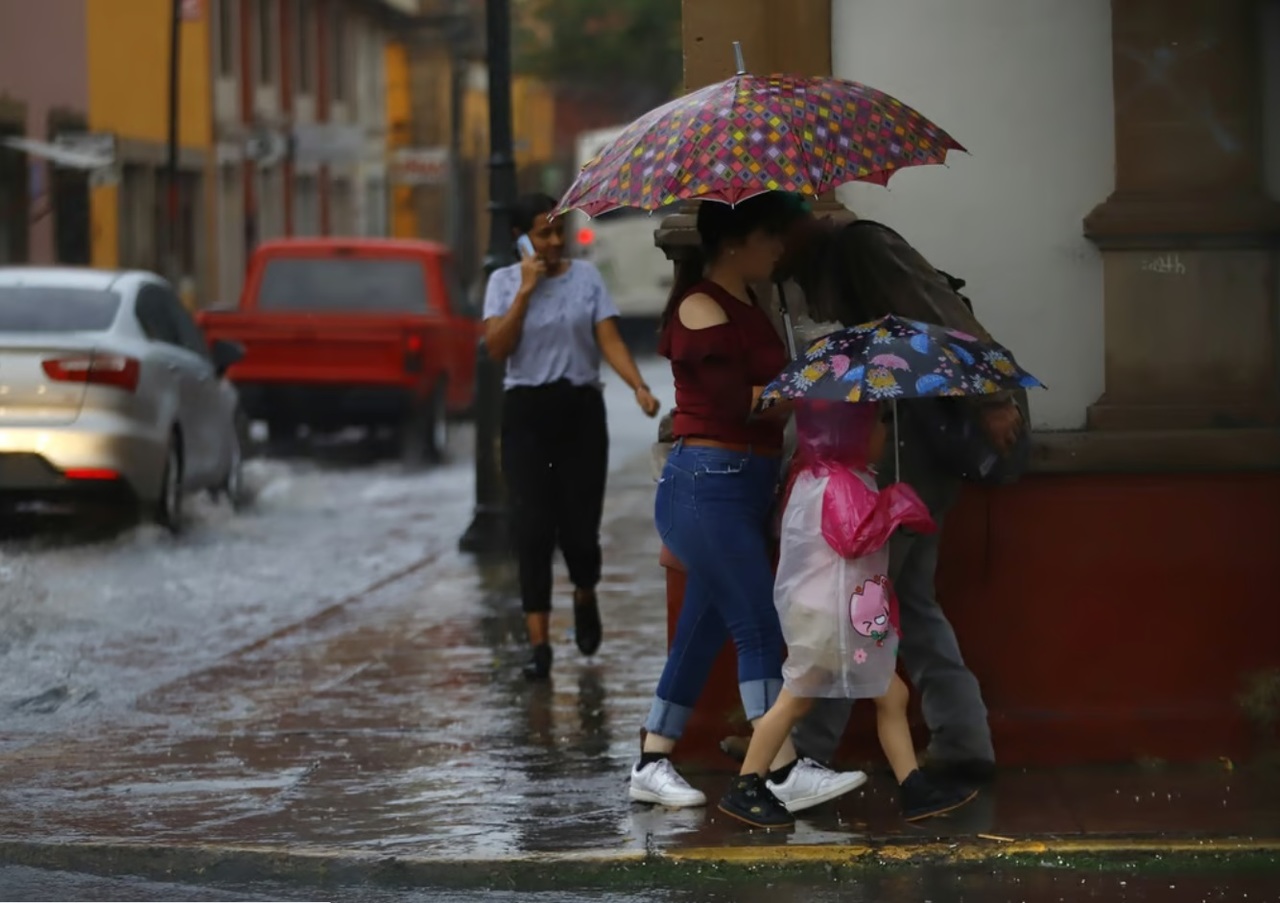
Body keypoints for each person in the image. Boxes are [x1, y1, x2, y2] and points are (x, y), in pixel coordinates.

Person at [629, 193, 867, 812]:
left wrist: (802, 378)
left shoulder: (749, 303)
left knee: (701, 631)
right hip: (707, 485)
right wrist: (804, 386)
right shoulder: (701, 304)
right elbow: (737, 401)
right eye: (771, 237)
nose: (779, 249)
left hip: (740, 485)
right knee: (759, 623)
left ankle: (652, 760)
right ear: (736, 242)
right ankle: (779, 769)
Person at [770, 212, 1024, 783]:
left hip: (908, 452)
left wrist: (993, 400)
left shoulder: (860, 248)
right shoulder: (816, 265)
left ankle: (806, 747)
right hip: (908, 452)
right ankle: (963, 739)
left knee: (857, 597)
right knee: (906, 597)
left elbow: (939, 312)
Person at [721, 399, 978, 828]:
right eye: (876, 424)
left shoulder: (823, 476)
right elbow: (854, 539)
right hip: (830, 619)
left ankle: (914, 788)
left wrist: (889, 504)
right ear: (849, 432)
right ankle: (745, 785)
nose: (883, 434)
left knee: (889, 695)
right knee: (796, 700)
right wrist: (896, 505)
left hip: (837, 617)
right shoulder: (837, 481)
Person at [483, 193, 661, 681]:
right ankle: (539, 646)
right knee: (532, 530)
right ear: (520, 237)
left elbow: (610, 339)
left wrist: (638, 386)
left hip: (580, 413)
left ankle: (585, 593)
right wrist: (525, 291)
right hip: (526, 416)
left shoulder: (586, 278)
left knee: (580, 531)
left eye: (558, 230)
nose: (555, 241)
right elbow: (497, 348)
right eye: (543, 233)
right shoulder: (503, 283)